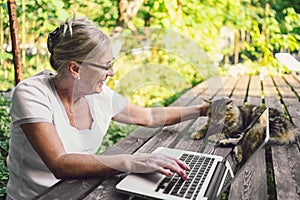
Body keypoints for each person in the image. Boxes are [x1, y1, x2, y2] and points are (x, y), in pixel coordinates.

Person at [6, 17, 208, 199]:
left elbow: (149, 116)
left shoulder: (100, 95)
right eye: (106, 66)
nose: (111, 73)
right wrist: (130, 161)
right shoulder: (31, 93)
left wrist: (203, 110)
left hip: (84, 191)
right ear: (75, 69)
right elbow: (60, 163)